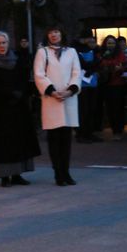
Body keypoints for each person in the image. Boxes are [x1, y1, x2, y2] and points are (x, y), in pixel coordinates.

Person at [0, 31, 40, 187]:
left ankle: (17, 174)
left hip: (19, 106)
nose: (2, 46)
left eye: (4, 42)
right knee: (4, 142)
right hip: (1, 108)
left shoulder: (17, 59)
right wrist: (9, 94)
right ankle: (4, 176)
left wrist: (21, 93)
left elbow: (24, 78)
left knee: (19, 140)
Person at [34, 26, 81, 186]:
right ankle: (58, 174)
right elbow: (39, 74)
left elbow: (76, 73)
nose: (54, 35)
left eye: (57, 32)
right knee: (54, 139)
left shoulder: (71, 52)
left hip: (68, 99)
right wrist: (52, 91)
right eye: (51, 32)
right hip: (51, 100)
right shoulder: (43, 52)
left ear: (62, 34)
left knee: (66, 139)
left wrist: (70, 91)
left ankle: (66, 172)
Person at [73, 29, 102, 143]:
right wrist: (93, 65)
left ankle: (89, 132)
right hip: (81, 82)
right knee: (82, 109)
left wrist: (93, 66)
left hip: (92, 82)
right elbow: (82, 64)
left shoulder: (92, 49)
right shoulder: (75, 50)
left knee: (92, 108)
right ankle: (81, 133)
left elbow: (96, 62)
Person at [98, 35, 127, 140]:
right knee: (110, 109)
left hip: (118, 85)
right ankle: (114, 129)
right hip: (106, 85)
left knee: (118, 108)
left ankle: (118, 130)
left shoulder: (120, 54)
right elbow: (100, 64)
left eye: (113, 43)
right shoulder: (102, 54)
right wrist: (113, 65)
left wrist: (116, 67)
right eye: (109, 43)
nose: (111, 45)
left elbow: (123, 66)